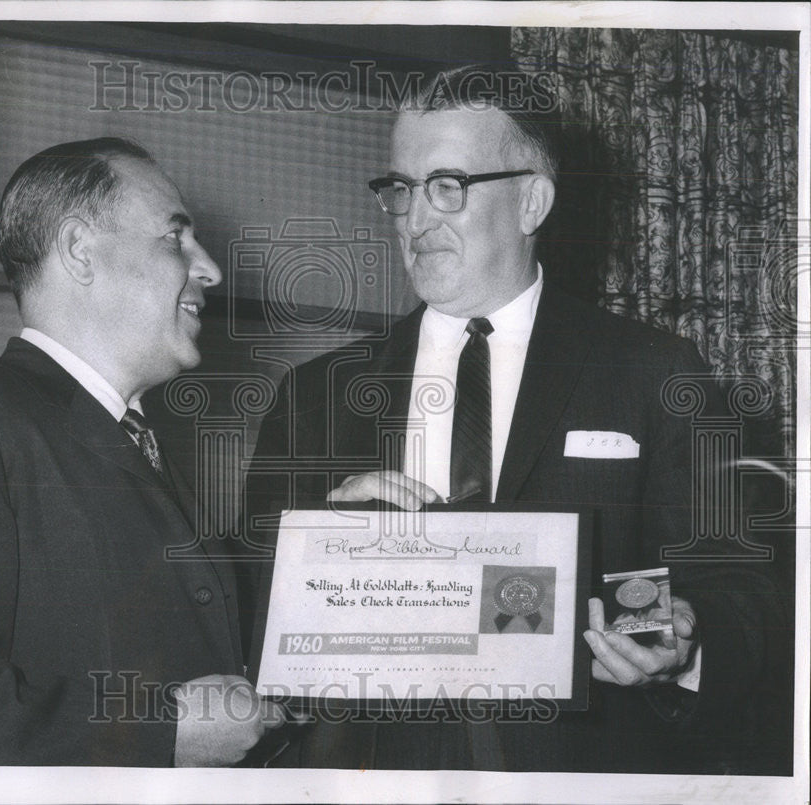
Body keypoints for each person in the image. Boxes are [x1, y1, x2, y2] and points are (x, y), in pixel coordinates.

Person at [245, 69, 774, 772]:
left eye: (448, 185)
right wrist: (320, 548)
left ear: (532, 200)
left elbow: (743, 589)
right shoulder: (314, 394)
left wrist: (687, 644)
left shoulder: (655, 372)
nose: (416, 218)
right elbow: (242, 613)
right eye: (401, 188)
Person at [0, 138, 285, 766]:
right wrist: (160, 730)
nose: (208, 268)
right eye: (175, 238)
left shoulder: (134, 440)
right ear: (80, 251)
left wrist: (327, 539)